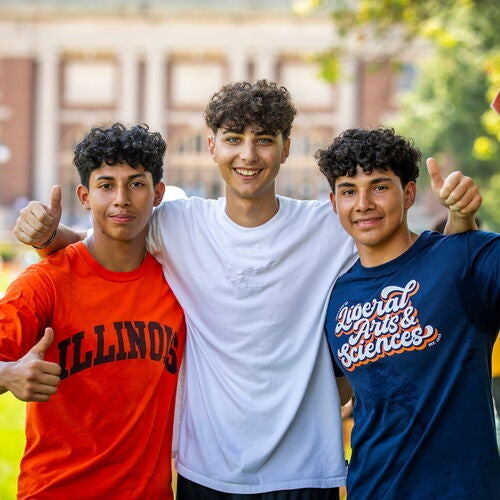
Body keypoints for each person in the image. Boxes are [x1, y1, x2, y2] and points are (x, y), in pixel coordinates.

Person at [14, 81, 480, 500]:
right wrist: (46, 238)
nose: (248, 155)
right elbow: (110, 241)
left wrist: (461, 218)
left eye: (263, 140)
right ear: (213, 146)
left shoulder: (333, 224)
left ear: (286, 148)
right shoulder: (177, 224)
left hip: (307, 471)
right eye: (234, 139)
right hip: (207, 471)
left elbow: (427, 259)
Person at [0, 123, 186, 499]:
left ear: (157, 194)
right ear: (84, 196)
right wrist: (8, 374)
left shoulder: (180, 286)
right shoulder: (44, 282)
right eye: (106, 185)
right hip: (55, 490)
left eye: (136, 184)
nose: (121, 198)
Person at [316, 127, 500, 499]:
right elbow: (333, 394)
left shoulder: (463, 257)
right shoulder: (334, 295)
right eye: (349, 190)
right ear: (334, 203)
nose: (363, 203)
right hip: (371, 488)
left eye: (380, 186)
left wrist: (463, 218)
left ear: (410, 193)